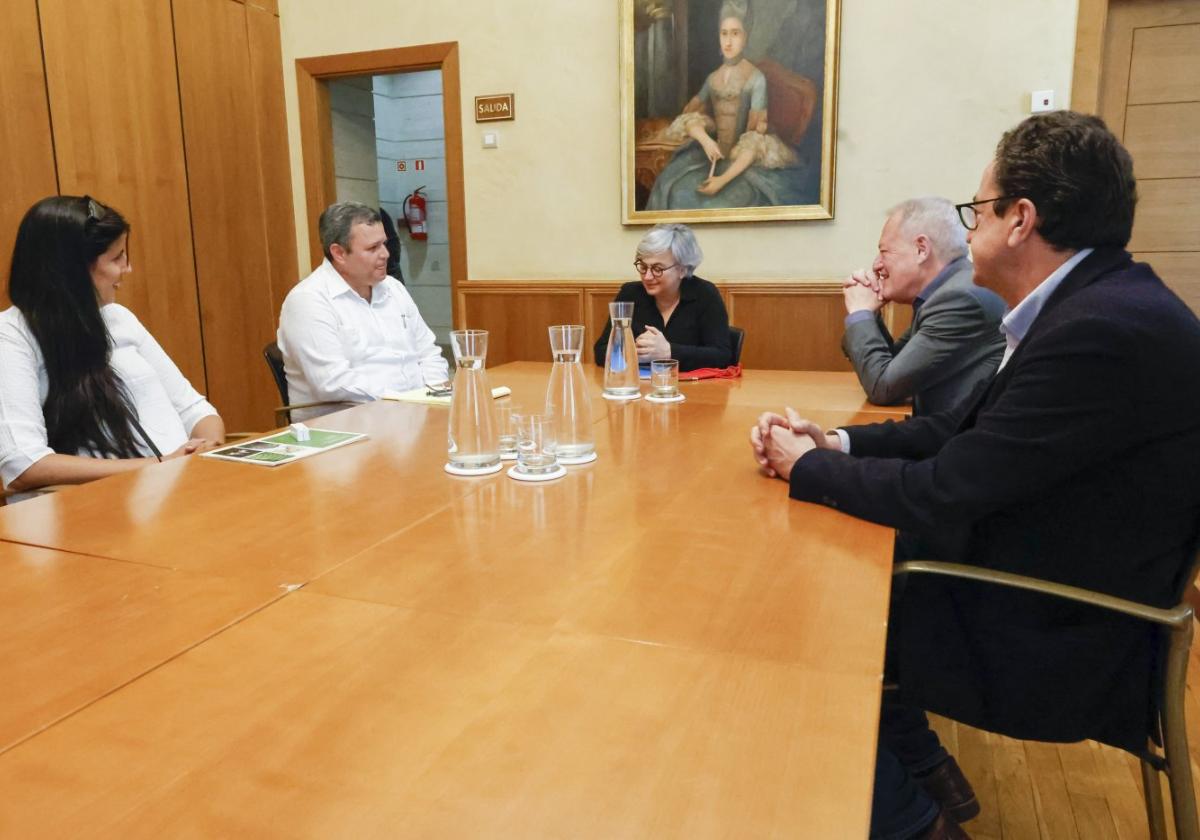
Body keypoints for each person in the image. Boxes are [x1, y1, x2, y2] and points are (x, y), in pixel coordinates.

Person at [751, 112, 1200, 838]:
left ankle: (917, 822)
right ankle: (925, 780)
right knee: (829, 579)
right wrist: (836, 442)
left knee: (799, 624)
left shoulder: (1100, 330)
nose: (970, 233)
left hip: (1064, 633)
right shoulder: (1101, 304)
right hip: (1048, 584)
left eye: (978, 212)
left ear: (1021, 220)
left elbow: (945, 490)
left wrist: (809, 470)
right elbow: (960, 434)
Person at [0, 196, 225, 494]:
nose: (127, 268)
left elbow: (194, 409)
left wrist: (208, 447)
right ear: (74, 270)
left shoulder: (119, 318)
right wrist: (161, 464)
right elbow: (24, 466)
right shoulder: (12, 337)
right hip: (98, 515)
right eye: (117, 257)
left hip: (183, 490)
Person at [277, 201, 449, 420]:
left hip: (413, 413)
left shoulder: (393, 288)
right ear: (339, 253)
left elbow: (428, 352)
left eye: (384, 244)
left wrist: (433, 394)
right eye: (372, 248)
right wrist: (405, 400)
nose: (386, 254)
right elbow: (333, 383)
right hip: (347, 427)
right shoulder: (308, 301)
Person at [842, 197, 1006, 415]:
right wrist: (869, 316)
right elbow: (894, 367)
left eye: (884, 252)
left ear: (921, 249)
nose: (876, 265)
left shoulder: (959, 298)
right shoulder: (944, 293)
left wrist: (860, 313)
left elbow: (883, 387)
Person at [645, 0, 811, 210]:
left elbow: (755, 140)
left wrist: (721, 181)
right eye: (724, 33)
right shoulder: (712, 78)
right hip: (713, 157)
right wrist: (706, 141)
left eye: (735, 33)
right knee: (674, 187)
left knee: (721, 202)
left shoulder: (755, 78)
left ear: (745, 37)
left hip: (742, 162)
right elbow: (689, 117)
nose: (729, 41)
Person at [593, 223, 731, 372]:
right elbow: (601, 350)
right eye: (643, 267)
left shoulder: (705, 294)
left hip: (695, 389)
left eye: (657, 269)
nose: (647, 276)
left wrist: (669, 352)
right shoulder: (630, 294)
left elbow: (723, 356)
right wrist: (633, 352)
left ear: (682, 269)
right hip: (641, 389)